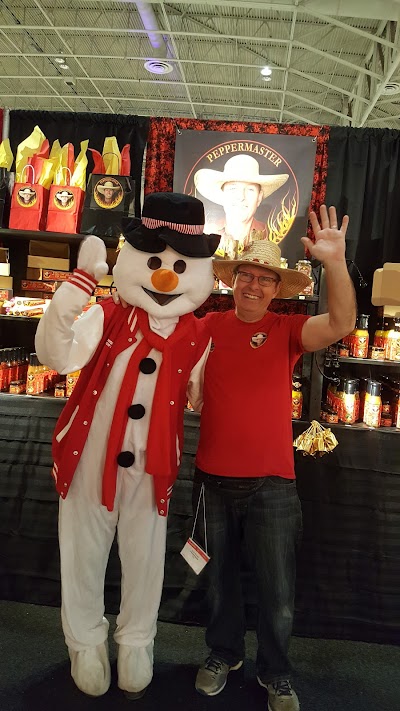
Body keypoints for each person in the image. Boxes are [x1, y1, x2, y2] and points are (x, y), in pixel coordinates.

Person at [35, 193, 220, 699]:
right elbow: (55, 355)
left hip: (152, 469)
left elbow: (204, 396)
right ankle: (85, 641)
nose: (166, 279)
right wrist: (76, 289)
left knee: (145, 559)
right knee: (83, 553)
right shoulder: (108, 316)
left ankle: (137, 641)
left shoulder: (198, 337)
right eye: (155, 264)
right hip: (90, 457)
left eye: (179, 268)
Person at [186, 205, 356, 711]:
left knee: (277, 592)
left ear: (278, 289)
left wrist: (336, 262)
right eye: (246, 275)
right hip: (211, 480)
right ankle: (224, 654)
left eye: (264, 279)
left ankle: (276, 673)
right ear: (232, 280)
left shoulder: (287, 330)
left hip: (273, 484)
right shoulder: (207, 326)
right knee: (217, 585)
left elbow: (343, 322)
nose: (254, 285)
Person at [194, 154, 288, 259]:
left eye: (250, 190)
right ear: (222, 195)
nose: (241, 197)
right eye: (233, 189)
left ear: (259, 197)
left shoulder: (269, 233)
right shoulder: (205, 237)